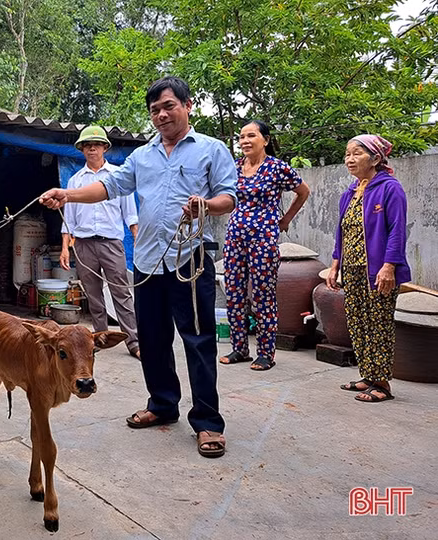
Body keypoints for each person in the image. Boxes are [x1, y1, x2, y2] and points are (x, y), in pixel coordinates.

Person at [40, 76, 237, 458]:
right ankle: (163, 405)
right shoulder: (141, 156)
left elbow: (228, 196)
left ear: (188, 105)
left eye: (168, 106)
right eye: (155, 110)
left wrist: (206, 206)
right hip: (147, 261)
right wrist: (68, 193)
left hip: (190, 261)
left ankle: (208, 422)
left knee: (198, 342)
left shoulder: (211, 150)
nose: (161, 115)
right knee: (153, 340)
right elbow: (110, 188)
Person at [219, 120, 310, 371]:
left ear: (266, 140)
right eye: (241, 137)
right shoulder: (235, 167)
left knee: (263, 295)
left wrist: (286, 218)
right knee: (235, 293)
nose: (245, 141)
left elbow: (303, 191)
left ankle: (265, 353)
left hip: (263, 238)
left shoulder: (277, 168)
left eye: (251, 136)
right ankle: (239, 348)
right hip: (235, 236)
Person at [327, 134, 410, 403]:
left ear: (375, 158)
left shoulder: (390, 189)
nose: (349, 159)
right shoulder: (349, 194)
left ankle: (382, 383)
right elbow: (341, 232)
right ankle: (368, 375)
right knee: (358, 321)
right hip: (352, 269)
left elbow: (397, 231)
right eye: (347, 154)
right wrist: (335, 264)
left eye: (357, 153)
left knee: (379, 324)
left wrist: (389, 266)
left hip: (378, 270)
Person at [61, 126, 140, 358]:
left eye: (96, 144)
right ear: (82, 150)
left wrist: (136, 236)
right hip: (84, 245)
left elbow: (130, 213)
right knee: (93, 295)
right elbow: (69, 218)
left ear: (105, 147)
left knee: (121, 293)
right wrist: (65, 248)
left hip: (111, 244)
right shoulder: (75, 181)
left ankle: (134, 342)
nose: (91, 148)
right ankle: (100, 337)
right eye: (87, 145)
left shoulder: (118, 176)